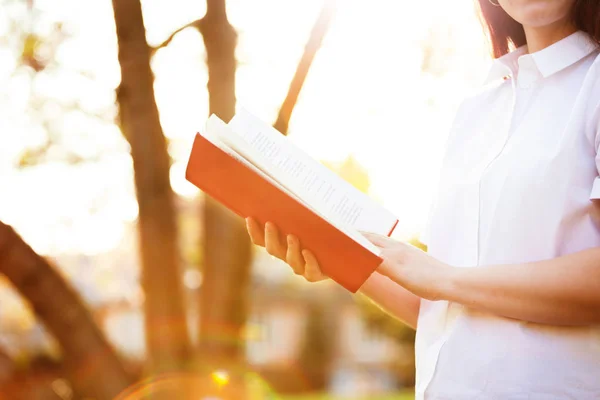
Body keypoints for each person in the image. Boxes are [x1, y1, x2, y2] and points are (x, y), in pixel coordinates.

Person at [246, 0, 600, 398]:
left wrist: (443, 279)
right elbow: (441, 308)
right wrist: (337, 254)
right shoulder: (477, 111)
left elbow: (443, 282)